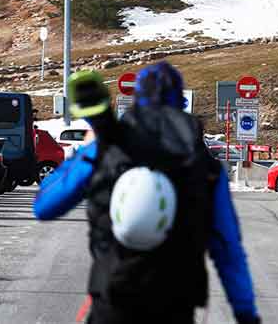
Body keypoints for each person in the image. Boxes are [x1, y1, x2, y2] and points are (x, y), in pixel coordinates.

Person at [34, 63, 259, 324]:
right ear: (181, 102)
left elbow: (44, 206)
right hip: (176, 307)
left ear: (137, 100)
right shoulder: (204, 165)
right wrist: (245, 312)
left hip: (112, 302)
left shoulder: (107, 148)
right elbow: (228, 249)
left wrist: (90, 151)